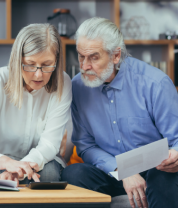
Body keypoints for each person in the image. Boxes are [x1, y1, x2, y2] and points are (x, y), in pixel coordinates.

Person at [61, 17, 178, 208]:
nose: (84, 66)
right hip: (112, 172)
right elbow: (85, 145)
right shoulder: (77, 87)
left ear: (116, 56)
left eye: (93, 57)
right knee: (72, 174)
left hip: (154, 171)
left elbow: (176, 138)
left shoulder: (155, 84)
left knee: (164, 177)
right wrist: (122, 170)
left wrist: (175, 155)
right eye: (81, 56)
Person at [0, 23, 72, 186]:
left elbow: (49, 144)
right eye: (30, 64)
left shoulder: (63, 82)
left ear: (57, 60)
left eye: (47, 65)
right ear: (17, 60)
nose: (39, 74)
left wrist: (18, 170)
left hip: (37, 164)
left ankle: (9, 181)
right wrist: (5, 163)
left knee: (50, 174)